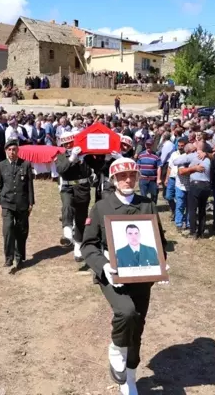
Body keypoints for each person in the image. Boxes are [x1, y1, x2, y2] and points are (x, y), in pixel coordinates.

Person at [81, 157, 167, 395]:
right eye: (122, 176)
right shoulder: (101, 207)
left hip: (142, 275)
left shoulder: (147, 204)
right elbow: (88, 245)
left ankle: (130, 375)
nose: (128, 180)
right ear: (114, 180)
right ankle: (117, 349)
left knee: (137, 326)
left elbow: (159, 239)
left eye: (132, 175)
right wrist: (103, 265)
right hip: (113, 274)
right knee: (126, 312)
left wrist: (161, 264)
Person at [0, 140, 35, 272]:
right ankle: (8, 257)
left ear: (18, 150)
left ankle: (19, 257)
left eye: (14, 149)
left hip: (22, 203)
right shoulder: (1, 166)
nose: (12, 152)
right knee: (7, 229)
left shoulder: (25, 164)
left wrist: (31, 202)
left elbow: (29, 185)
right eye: (9, 150)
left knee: (21, 231)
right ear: (6, 151)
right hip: (7, 202)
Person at [55, 132, 93, 261]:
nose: (68, 145)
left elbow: (90, 172)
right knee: (67, 206)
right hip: (67, 187)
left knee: (81, 218)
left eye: (70, 143)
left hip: (82, 188)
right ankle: (67, 231)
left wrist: (82, 160)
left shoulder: (85, 156)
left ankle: (78, 247)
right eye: (65, 144)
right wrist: (71, 158)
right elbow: (61, 169)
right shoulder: (61, 156)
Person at [175, 141, 210, 239]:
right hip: (207, 186)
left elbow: (175, 161)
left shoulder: (193, 155)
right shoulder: (208, 157)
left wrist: (192, 166)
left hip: (195, 185)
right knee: (202, 209)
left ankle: (193, 232)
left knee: (192, 209)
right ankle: (201, 232)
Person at [136, 139, 161, 204]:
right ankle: (145, 211)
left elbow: (159, 167)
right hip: (143, 179)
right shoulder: (140, 155)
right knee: (143, 196)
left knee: (154, 196)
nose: (148, 146)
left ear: (153, 145)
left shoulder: (156, 156)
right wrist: (138, 176)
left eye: (150, 145)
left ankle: (153, 210)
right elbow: (138, 166)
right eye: (147, 145)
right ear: (145, 145)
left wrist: (158, 179)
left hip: (153, 180)